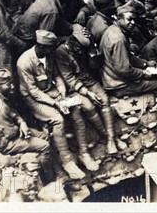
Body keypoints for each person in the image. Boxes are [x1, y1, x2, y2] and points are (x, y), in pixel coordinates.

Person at [17, 30, 90, 179]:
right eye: (51, 48)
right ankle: (67, 161)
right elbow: (33, 91)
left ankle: (84, 153)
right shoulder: (24, 62)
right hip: (33, 98)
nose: (53, 51)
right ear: (41, 46)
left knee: (75, 111)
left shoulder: (48, 55)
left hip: (51, 91)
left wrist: (63, 95)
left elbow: (56, 76)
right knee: (58, 119)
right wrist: (56, 103)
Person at [50, 25, 127, 155]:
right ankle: (110, 138)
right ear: (71, 42)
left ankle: (111, 141)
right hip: (74, 88)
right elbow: (69, 79)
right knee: (90, 107)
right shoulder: (61, 52)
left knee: (104, 99)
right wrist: (87, 93)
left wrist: (92, 50)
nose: (80, 51)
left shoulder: (85, 48)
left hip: (89, 81)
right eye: (78, 48)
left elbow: (95, 66)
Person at [99, 4, 157, 109]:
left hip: (113, 79)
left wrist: (145, 63)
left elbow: (126, 57)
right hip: (119, 85)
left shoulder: (112, 30)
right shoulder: (119, 38)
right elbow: (124, 70)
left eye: (134, 19)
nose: (132, 23)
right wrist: (143, 73)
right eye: (129, 19)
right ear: (119, 19)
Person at [0, 68, 50, 156]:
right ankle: (46, 169)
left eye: (11, 82)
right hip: (2, 143)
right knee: (45, 146)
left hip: (10, 133)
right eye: (8, 84)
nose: (12, 86)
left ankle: (48, 165)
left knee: (45, 136)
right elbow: (9, 133)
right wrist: (20, 128)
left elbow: (11, 112)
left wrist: (21, 122)